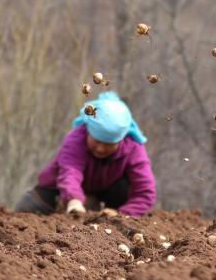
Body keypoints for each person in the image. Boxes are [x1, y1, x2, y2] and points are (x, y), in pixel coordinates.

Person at [16, 91, 155, 217]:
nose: (100, 149)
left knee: (124, 188)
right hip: (57, 189)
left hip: (106, 193)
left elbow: (145, 191)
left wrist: (122, 215)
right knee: (28, 208)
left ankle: (97, 208)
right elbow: (70, 172)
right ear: (88, 131)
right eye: (96, 141)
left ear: (121, 140)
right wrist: (73, 201)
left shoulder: (134, 147)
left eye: (108, 144)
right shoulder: (76, 138)